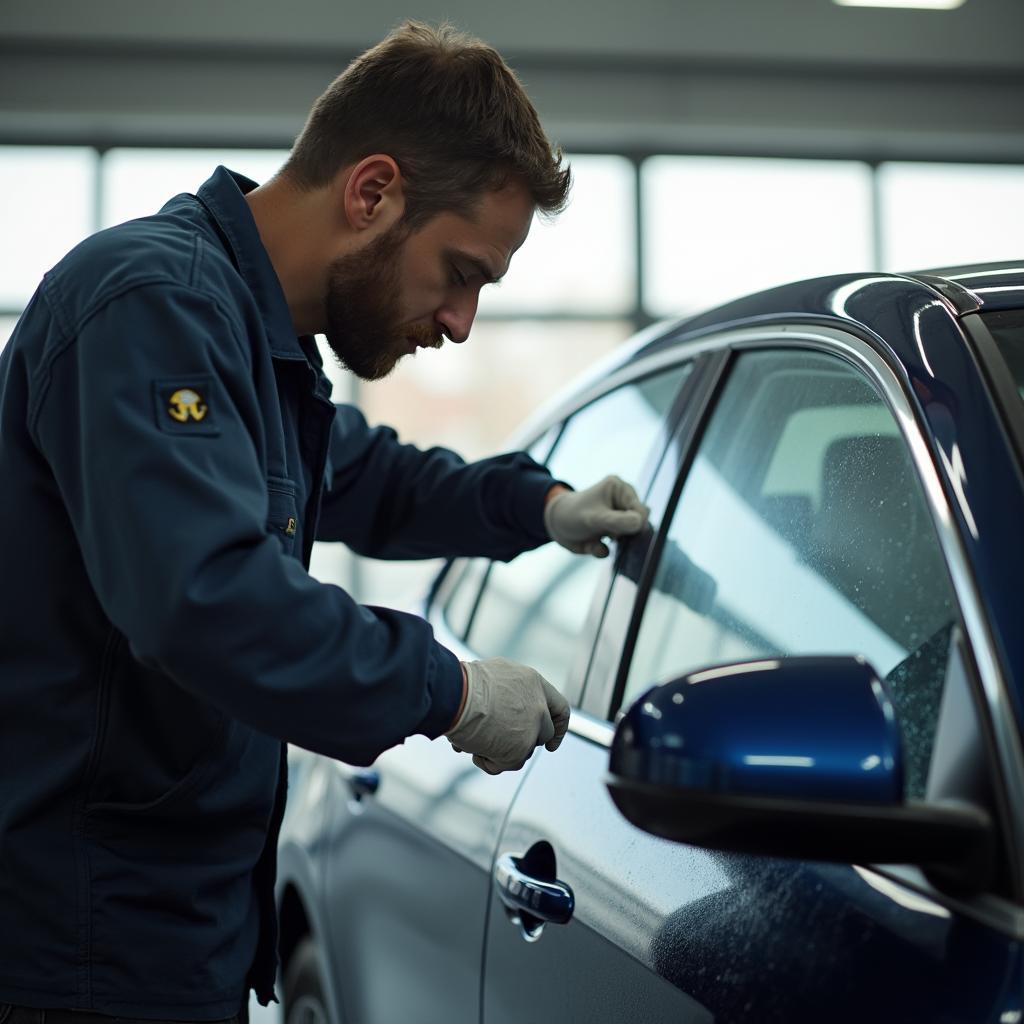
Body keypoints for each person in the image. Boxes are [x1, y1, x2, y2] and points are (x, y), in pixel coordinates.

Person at [0, 21, 649, 1021]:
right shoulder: (150, 306)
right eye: (463, 271)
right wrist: (455, 690)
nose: (460, 320)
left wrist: (540, 504)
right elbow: (204, 599)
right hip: (82, 949)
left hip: (176, 934)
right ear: (372, 192)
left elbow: (370, 478)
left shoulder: (257, 346)